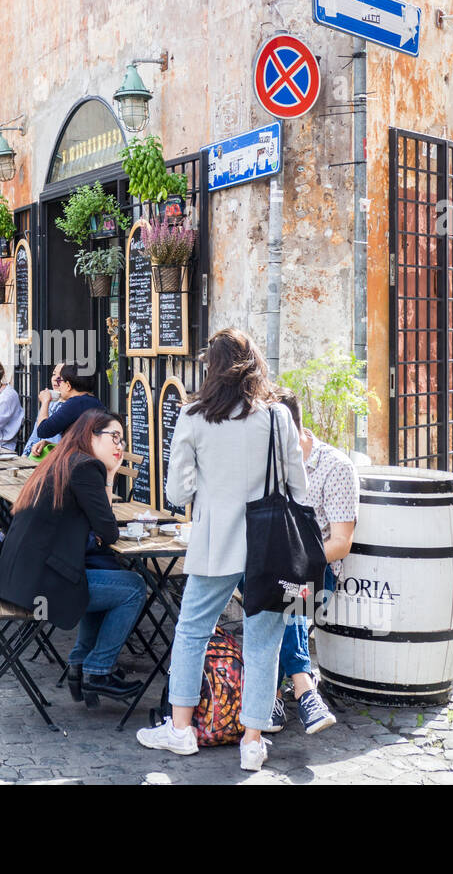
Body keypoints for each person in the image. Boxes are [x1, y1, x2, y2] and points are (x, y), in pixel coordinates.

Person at [136, 328, 308, 772]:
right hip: (270, 546)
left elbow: (177, 491)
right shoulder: (276, 418)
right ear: (254, 367)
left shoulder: (194, 417)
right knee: (264, 641)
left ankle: (180, 730)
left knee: (193, 630)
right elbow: (298, 486)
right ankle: (252, 741)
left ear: (210, 369)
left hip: (217, 541)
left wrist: (207, 486)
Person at [0, 408, 147, 701]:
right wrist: (111, 476)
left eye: (123, 440)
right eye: (114, 437)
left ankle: (79, 663)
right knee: (133, 588)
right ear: (90, 435)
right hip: (39, 590)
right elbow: (109, 532)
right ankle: (98, 671)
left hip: (17, 581)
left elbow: (99, 531)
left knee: (105, 574)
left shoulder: (59, 461)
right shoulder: (87, 468)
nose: (119, 446)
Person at [267, 388, 357, 736]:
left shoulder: (335, 467)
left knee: (283, 595)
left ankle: (273, 695)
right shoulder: (267, 465)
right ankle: (304, 689)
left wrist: (296, 560)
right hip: (269, 569)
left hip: (318, 573)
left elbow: (341, 543)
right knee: (276, 586)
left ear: (291, 428)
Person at [30, 363, 104, 455]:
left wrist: (45, 401)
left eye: (60, 381)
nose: (58, 385)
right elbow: (80, 445)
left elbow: (42, 431)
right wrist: (49, 444)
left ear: (68, 385)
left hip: (81, 465)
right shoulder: (94, 402)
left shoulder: (75, 403)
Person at [22, 363, 66, 456]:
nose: (55, 378)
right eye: (54, 374)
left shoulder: (72, 407)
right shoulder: (50, 402)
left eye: (61, 376)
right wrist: (25, 456)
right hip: (38, 457)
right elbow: (35, 436)